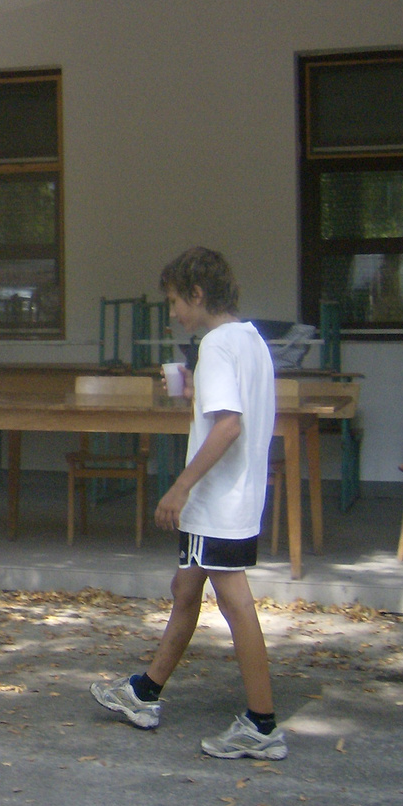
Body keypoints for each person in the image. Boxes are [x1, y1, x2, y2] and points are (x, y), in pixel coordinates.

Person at [91, 247, 285, 760]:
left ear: (198, 295)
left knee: (236, 605)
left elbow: (228, 425)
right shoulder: (251, 341)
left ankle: (262, 725)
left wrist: (181, 485)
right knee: (184, 588)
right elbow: (231, 410)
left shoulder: (217, 345)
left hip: (216, 501)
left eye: (176, 300)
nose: (174, 312)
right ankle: (144, 692)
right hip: (237, 498)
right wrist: (196, 394)